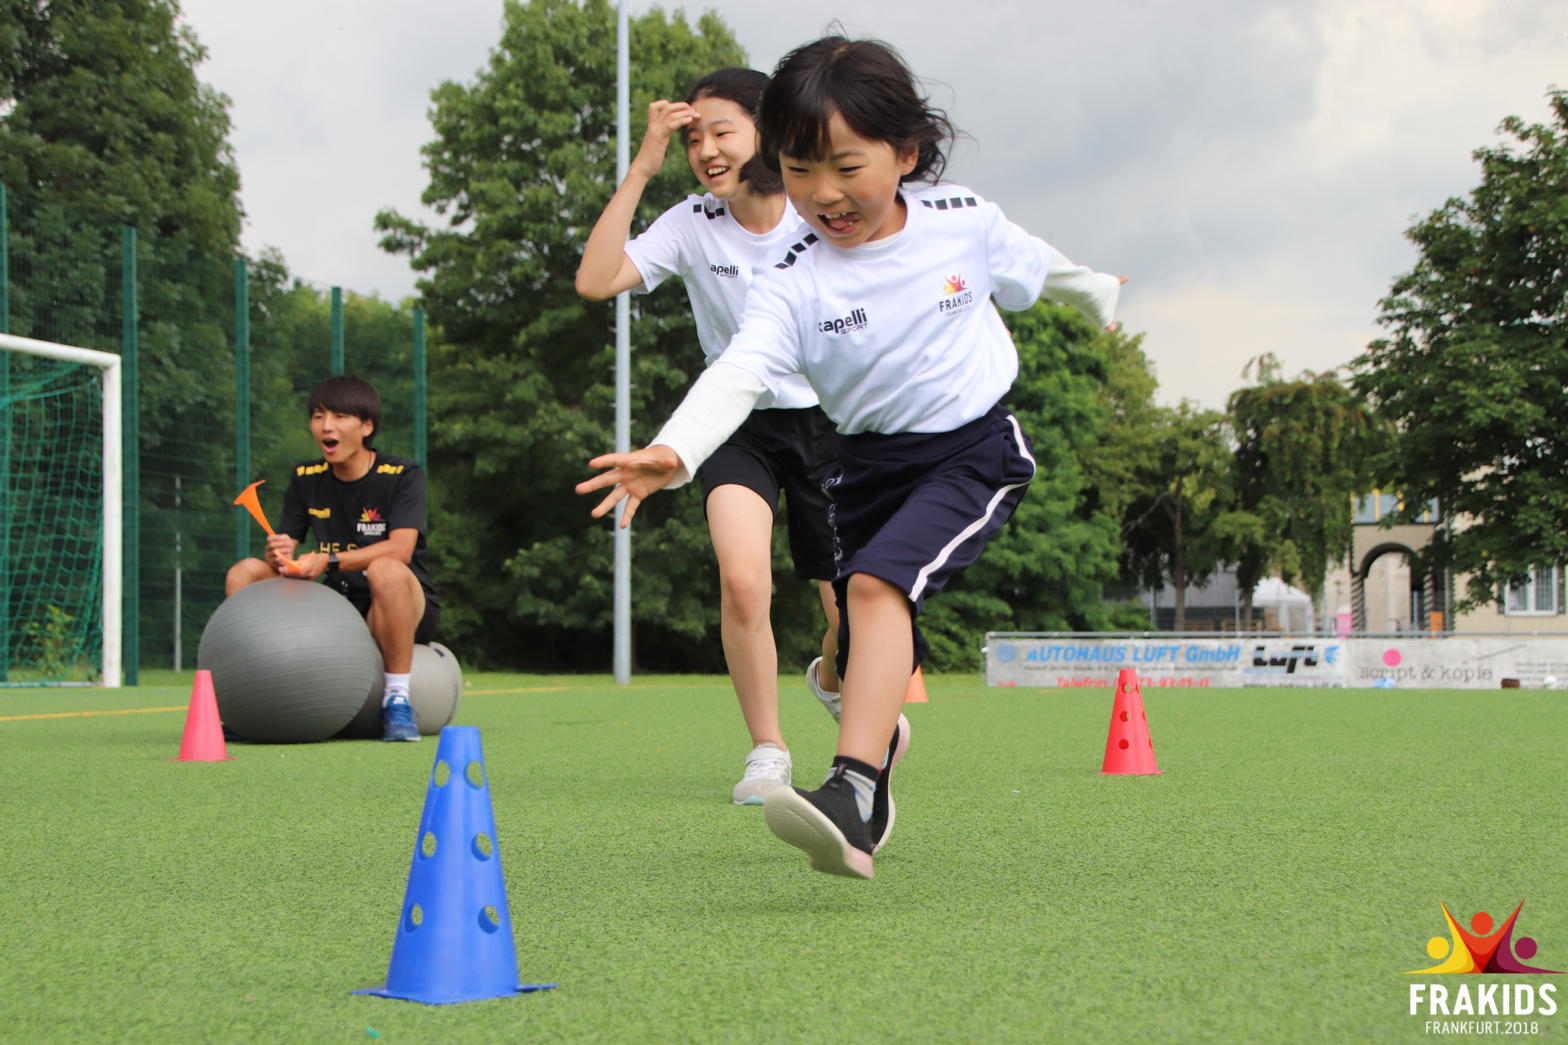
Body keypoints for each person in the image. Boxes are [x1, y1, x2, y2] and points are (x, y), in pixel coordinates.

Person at [577, 36, 1127, 878]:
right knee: (866, 613)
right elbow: (742, 368)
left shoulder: (961, 224)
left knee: (875, 588)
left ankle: (853, 788)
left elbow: (1034, 265)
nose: (823, 195)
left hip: (971, 449)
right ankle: (864, 768)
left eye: (844, 167)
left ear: (905, 153)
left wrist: (1097, 294)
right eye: (800, 170)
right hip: (860, 464)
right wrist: (673, 449)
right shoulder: (793, 276)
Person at [575, 68, 845, 806]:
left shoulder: (821, 210)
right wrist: (642, 165)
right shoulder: (694, 221)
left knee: (849, 614)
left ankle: (830, 678)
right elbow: (596, 279)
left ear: (769, 131)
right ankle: (768, 749)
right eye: (694, 137)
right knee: (740, 576)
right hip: (736, 424)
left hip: (831, 426)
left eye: (721, 131)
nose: (706, 149)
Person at [225, 373, 440, 743]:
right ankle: (250, 697)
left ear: (366, 426)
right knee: (244, 572)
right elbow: (286, 549)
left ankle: (397, 700)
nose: (327, 427)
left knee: (385, 569)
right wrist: (281, 557)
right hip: (337, 607)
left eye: (340, 417)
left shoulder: (403, 474)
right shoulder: (305, 478)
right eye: (318, 416)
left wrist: (329, 561)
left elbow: (401, 549)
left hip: (400, 602)